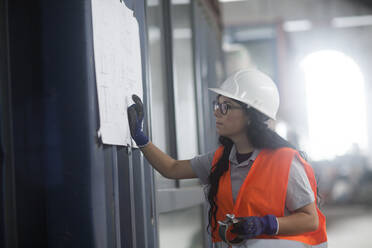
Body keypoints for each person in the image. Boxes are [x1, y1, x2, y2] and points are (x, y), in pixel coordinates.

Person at [127, 68, 327, 248]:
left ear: (250, 115)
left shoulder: (285, 162)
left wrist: (264, 224)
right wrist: (140, 138)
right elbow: (171, 168)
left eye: (226, 107)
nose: (216, 113)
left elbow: (310, 220)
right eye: (217, 105)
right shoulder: (220, 160)